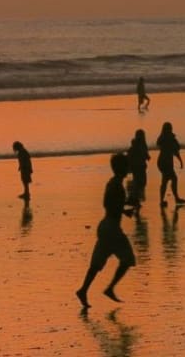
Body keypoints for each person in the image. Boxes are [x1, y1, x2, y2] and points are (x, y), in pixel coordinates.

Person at [76, 152, 136, 307]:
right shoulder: (117, 185)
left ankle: (83, 290)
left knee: (96, 264)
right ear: (122, 168)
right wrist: (123, 209)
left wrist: (123, 210)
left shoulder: (112, 183)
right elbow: (108, 204)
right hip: (112, 228)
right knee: (128, 260)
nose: (129, 167)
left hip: (105, 227)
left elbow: (109, 203)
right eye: (127, 165)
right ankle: (110, 288)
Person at [155, 122, 185, 208]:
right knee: (171, 179)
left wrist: (180, 161)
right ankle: (173, 199)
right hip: (165, 162)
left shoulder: (163, 137)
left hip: (163, 161)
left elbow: (175, 149)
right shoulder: (169, 138)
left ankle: (166, 199)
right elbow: (176, 149)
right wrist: (180, 160)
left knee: (167, 179)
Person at [127, 129, 150, 211]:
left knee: (137, 182)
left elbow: (130, 154)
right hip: (140, 166)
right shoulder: (141, 145)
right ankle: (135, 200)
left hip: (136, 167)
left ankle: (135, 200)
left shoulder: (135, 145)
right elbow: (145, 155)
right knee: (141, 183)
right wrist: (147, 157)